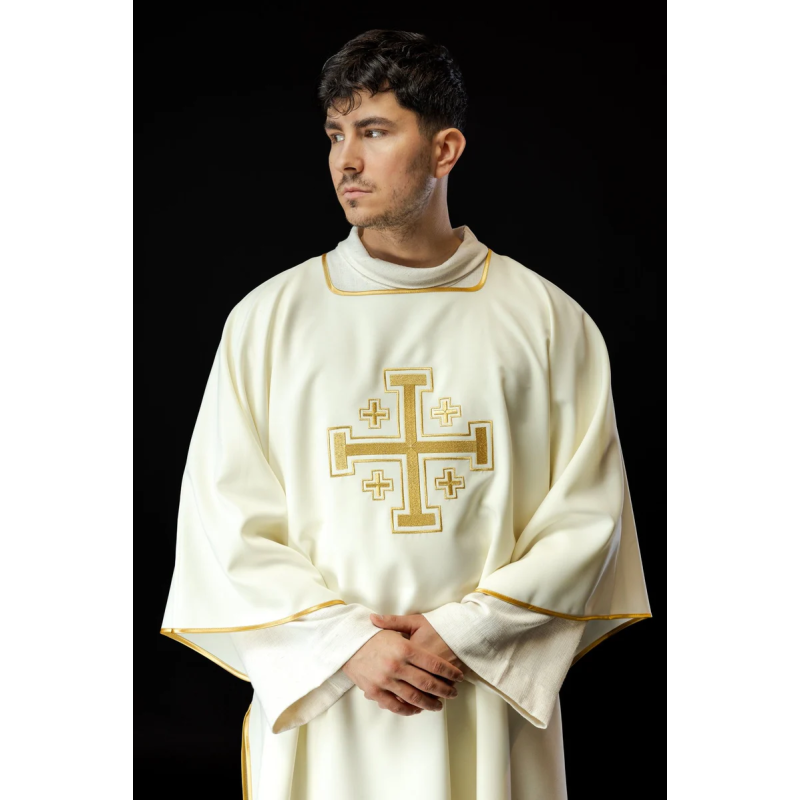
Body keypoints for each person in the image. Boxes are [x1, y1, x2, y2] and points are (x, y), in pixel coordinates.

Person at [159, 28, 651, 800]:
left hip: (478, 691)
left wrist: (464, 633)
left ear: (445, 149)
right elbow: (226, 520)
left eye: (375, 131)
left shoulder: (548, 322)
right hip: (332, 698)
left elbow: (588, 518)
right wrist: (347, 645)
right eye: (335, 134)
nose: (345, 161)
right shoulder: (268, 321)